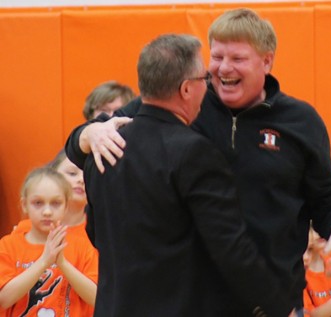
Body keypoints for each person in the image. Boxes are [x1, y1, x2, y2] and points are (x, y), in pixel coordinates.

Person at [65, 8, 331, 314]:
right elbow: (80, 145)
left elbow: (330, 197)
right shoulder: (182, 103)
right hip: (197, 302)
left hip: (272, 300)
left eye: (237, 58)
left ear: (266, 61)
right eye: (216, 57)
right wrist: (88, 134)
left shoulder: (301, 122)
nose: (223, 68)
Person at [82, 33, 295, 316]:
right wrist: (279, 307)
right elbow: (230, 247)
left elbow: (96, 233)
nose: (208, 87)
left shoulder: (103, 148)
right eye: (204, 80)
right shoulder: (194, 153)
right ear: (185, 89)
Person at [0, 167, 98, 316]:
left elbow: (97, 298)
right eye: (38, 203)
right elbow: (4, 299)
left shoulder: (83, 247)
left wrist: (63, 264)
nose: (47, 211)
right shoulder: (8, 245)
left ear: (66, 206)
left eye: (55, 203)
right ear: (25, 205)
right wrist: (44, 261)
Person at [13, 150, 88, 237]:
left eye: (88, 176)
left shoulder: (98, 233)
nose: (81, 180)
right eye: (72, 173)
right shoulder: (24, 230)